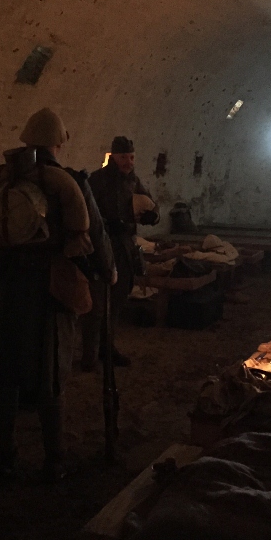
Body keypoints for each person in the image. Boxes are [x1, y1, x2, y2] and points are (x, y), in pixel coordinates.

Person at [0, 108, 115, 481]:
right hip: (50, 288)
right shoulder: (66, 181)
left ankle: (7, 454)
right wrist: (106, 269)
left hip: (5, 287)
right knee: (51, 371)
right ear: (59, 142)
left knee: (5, 371)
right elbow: (92, 233)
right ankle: (54, 459)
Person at [81, 136, 160, 370]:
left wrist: (152, 216)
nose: (129, 161)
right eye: (124, 157)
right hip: (101, 247)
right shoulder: (96, 180)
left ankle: (107, 348)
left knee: (116, 301)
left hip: (124, 247)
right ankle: (90, 356)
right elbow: (86, 213)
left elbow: (152, 206)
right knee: (96, 305)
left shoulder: (133, 181)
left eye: (132, 157)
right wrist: (107, 224)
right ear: (113, 156)